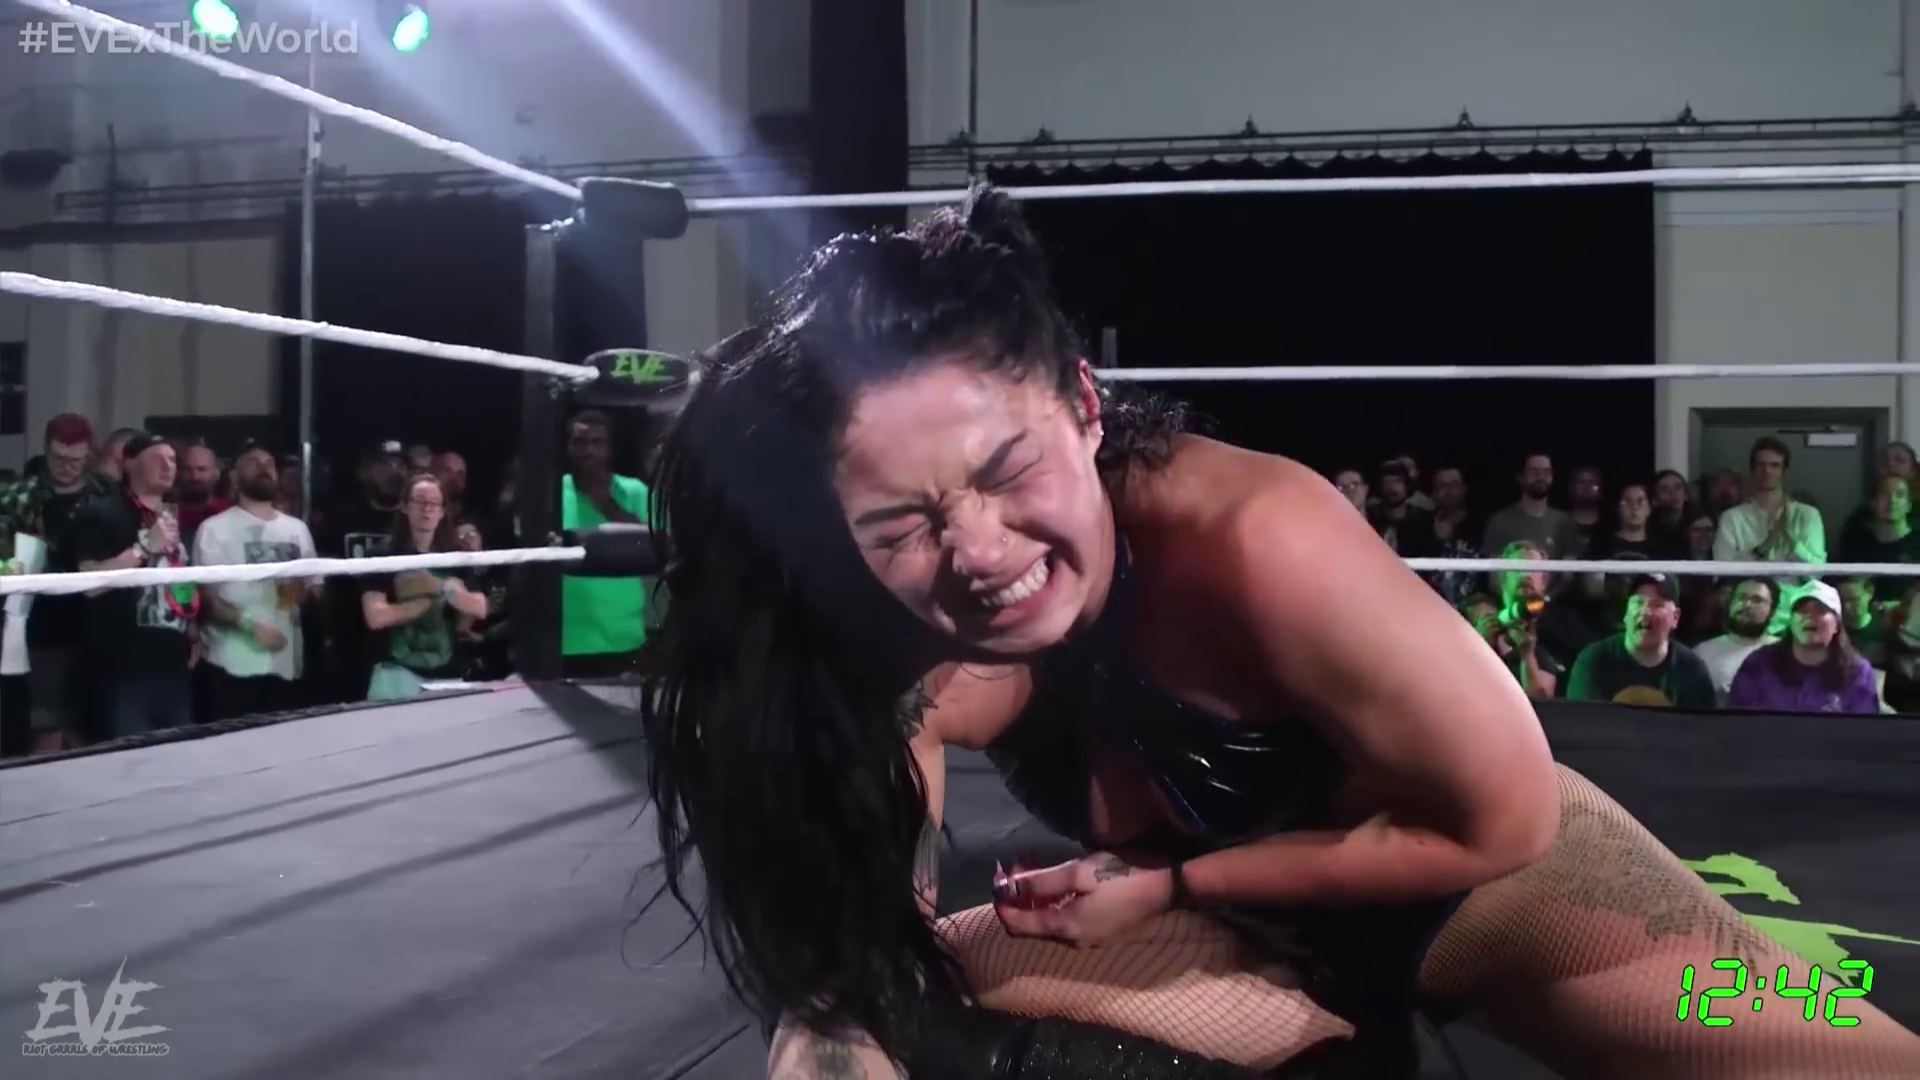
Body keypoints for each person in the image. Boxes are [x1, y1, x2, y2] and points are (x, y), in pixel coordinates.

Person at [639, 189, 1920, 1079]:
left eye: (1006, 468)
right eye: (904, 522)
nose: (975, 551)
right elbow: (871, 933)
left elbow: (1503, 825)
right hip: (1255, 951)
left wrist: (1175, 884)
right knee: (870, 1028)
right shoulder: (902, 634)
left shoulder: (1256, 536)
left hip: (1501, 891)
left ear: (1083, 404)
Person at [70, 433, 200, 737]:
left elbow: (178, 573)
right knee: (131, 757)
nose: (168, 466)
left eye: (172, 460)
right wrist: (144, 548)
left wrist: (192, 630)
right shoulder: (101, 512)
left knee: (180, 754)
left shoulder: (173, 516)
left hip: (173, 664)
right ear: (128, 463)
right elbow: (89, 585)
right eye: (157, 458)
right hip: (122, 667)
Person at [193, 445, 320, 719]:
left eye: (270, 462)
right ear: (234, 476)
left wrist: (303, 593)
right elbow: (205, 599)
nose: (264, 468)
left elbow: (316, 591)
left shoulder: (297, 530)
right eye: (254, 462)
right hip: (232, 665)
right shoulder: (214, 529)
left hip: (285, 665)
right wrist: (249, 625)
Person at [359, 474, 487, 701]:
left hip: (448, 673)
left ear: (443, 510)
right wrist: (424, 603)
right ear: (405, 506)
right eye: (419, 501)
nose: (427, 508)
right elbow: (376, 616)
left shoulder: (457, 556)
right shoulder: (382, 554)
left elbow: (480, 607)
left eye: (433, 503)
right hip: (395, 673)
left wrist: (439, 587)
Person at [560, 411, 651, 678]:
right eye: (579, 441)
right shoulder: (551, 492)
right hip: (565, 641)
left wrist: (608, 505)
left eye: (597, 442)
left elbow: (659, 544)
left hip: (625, 639)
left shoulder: (635, 491)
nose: (588, 450)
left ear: (609, 449)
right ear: (568, 447)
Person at [1726, 581, 1880, 715]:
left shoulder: (1857, 672)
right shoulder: (1759, 663)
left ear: (1836, 625)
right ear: (1791, 622)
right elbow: (1740, 720)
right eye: (1802, 610)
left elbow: (1862, 728)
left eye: (1820, 610)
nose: (1809, 616)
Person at [1564, 576, 1717, 709]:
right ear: (1626, 613)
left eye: (1657, 605)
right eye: (1638, 602)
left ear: (1675, 617)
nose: (1645, 611)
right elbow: (1584, 726)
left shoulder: (1693, 671)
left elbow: (1701, 730)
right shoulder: (1593, 661)